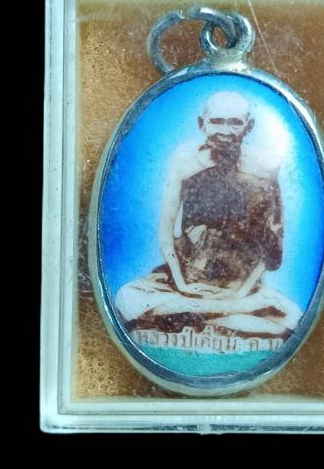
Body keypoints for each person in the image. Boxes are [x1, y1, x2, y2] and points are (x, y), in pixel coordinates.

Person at [115, 91, 301, 339]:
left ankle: (198, 316)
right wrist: (182, 285)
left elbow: (273, 244)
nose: (225, 131)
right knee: (126, 298)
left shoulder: (266, 167)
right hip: (186, 279)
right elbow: (166, 232)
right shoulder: (184, 159)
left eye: (235, 123)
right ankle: (226, 316)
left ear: (249, 127)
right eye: (216, 121)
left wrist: (240, 293)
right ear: (201, 124)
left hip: (239, 284)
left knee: (293, 317)